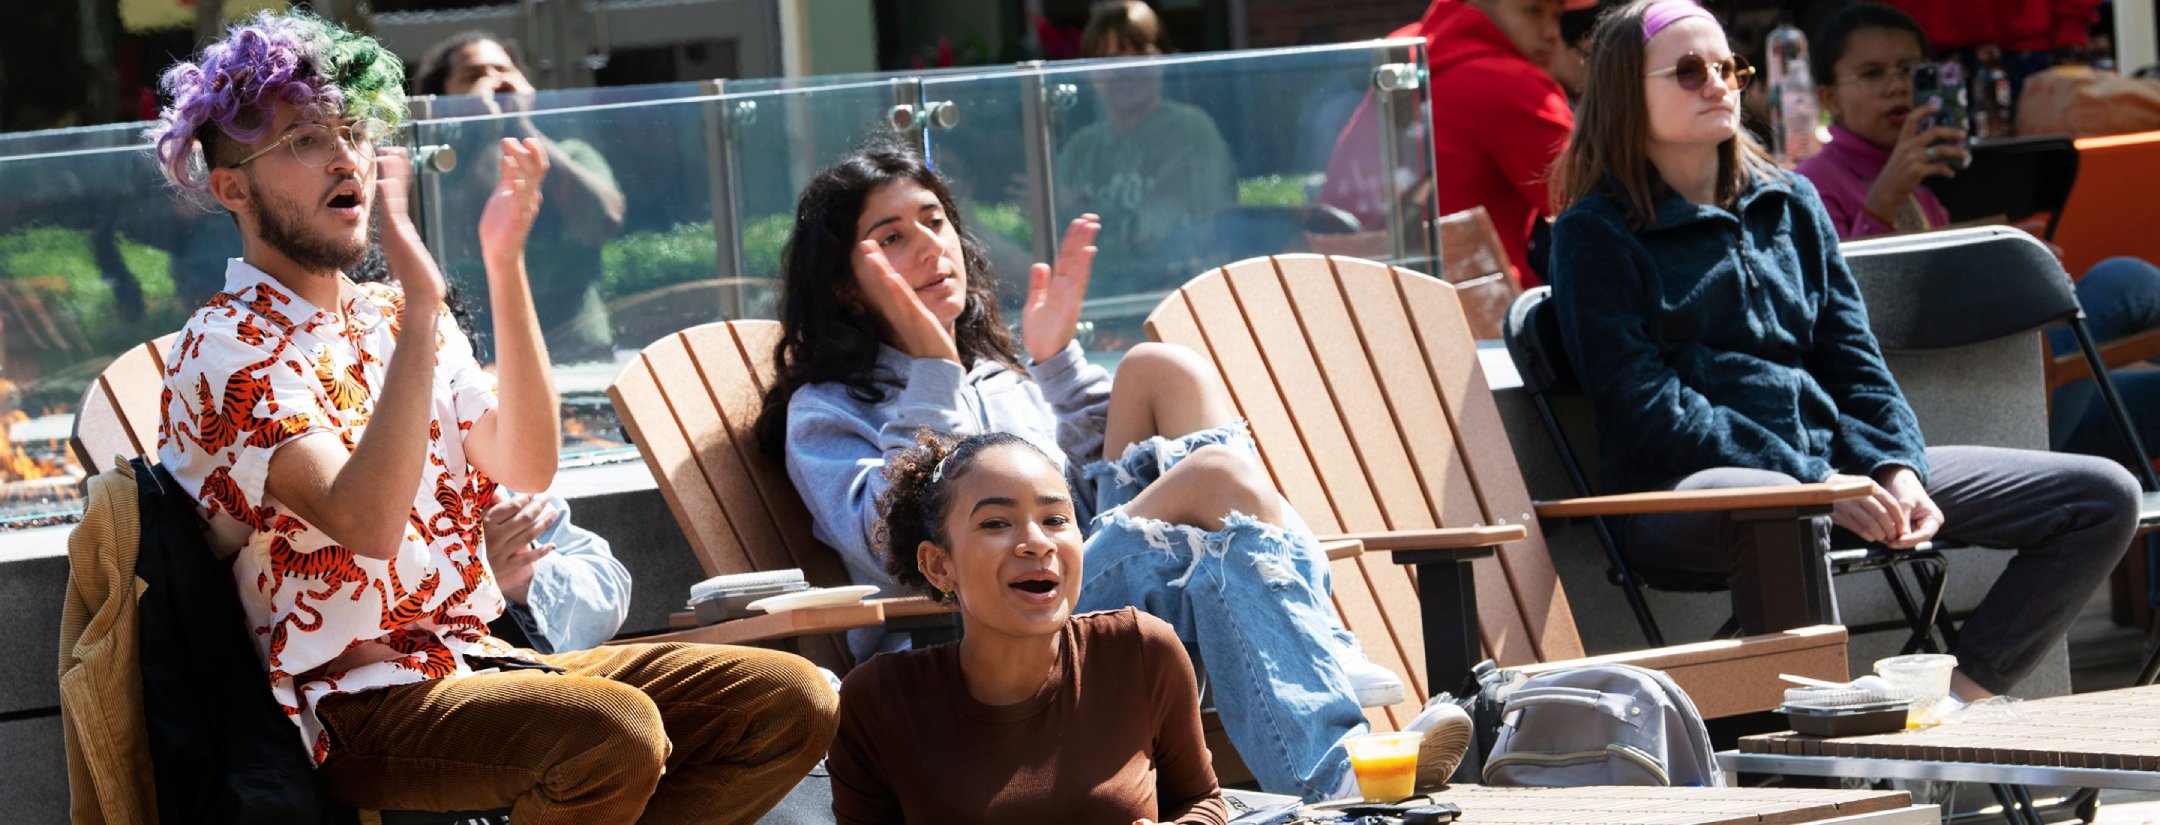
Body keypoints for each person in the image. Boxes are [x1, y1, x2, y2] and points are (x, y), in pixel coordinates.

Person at [146, 13, 835, 821]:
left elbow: (527, 463)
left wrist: (505, 268)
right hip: (347, 710)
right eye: (302, 140)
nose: (345, 158)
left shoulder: (394, 313)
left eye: (352, 131)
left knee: (794, 700)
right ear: (232, 187)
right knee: (612, 734)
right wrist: (421, 314)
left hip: (484, 661)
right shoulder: (225, 346)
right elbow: (365, 519)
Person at [758, 142, 1470, 801]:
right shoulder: (827, 410)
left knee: (1163, 370)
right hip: (964, 630)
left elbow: (1098, 483)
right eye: (892, 238)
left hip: (1070, 578)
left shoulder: (994, 375)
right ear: (847, 287)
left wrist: (1056, 359)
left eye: (934, 220)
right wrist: (933, 371)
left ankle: (1322, 684)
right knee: (1212, 480)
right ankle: (1328, 717)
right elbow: (891, 551)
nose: (929, 246)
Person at [1549, 0, 2141, 703]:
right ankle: (1830, 749)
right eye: (1687, 71)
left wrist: (1897, 467)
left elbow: (1856, 363)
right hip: (1688, 497)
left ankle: (1958, 698)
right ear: (1624, 92)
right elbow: (1645, 407)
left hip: (1833, 474)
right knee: (1782, 508)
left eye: (1727, 68)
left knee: (2102, 495)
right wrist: (1814, 481)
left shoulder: (1791, 202)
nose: (1718, 84)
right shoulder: (1595, 232)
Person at [1795, 2, 2160, 469]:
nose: (1896, 86)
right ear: (1829, 98)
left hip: (1997, 386)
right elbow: (1845, 323)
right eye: (1871, 73)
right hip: (1936, 417)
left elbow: (1949, 298)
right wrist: (1881, 204)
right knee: (2123, 281)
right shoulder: (1812, 185)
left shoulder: (1922, 178)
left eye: (1910, 69)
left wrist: (2008, 260)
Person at [827, 431, 1228, 823]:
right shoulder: (878, 702)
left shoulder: (1142, 651)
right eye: (997, 523)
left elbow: (1200, 799)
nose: (1038, 543)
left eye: (1055, 519)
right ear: (938, 564)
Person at [1319, 0, 1596, 288]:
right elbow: (1602, 204)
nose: (1552, 32)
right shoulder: (1507, 82)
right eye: (1533, 11)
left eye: (1556, 16)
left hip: (1358, 296)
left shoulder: (1407, 58)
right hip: (1469, 310)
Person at [412, 32, 627, 364]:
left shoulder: (574, 154)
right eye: (474, 75)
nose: (496, 81)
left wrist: (521, 126)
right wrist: (482, 132)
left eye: (504, 69)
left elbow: (605, 222)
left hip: (580, 351)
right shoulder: (432, 170)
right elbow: (449, 237)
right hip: (478, 355)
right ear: (442, 98)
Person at [1054, 0, 1235, 297]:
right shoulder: (1081, 148)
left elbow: (1180, 231)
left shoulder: (1190, 131)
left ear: (1164, 59)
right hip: (1095, 301)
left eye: (1138, 53)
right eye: (1109, 59)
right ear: (1088, 72)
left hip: (1175, 296)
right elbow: (1055, 242)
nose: (1125, 70)